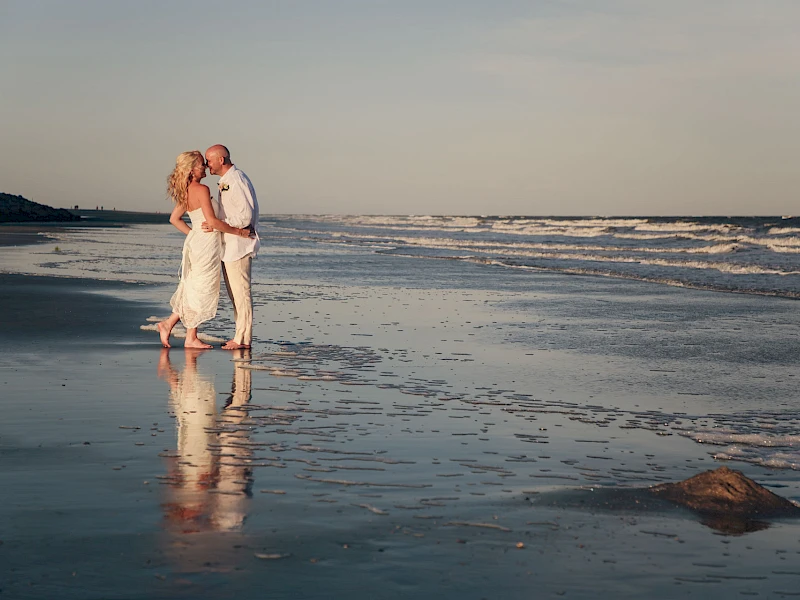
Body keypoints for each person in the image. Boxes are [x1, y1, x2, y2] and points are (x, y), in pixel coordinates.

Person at [157, 150, 252, 349]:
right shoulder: (201, 189)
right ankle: (184, 333)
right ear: (192, 170)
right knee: (201, 287)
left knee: (194, 284)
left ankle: (176, 328)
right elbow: (212, 221)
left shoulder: (187, 190)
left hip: (198, 242)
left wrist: (193, 235)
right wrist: (239, 232)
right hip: (207, 244)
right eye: (202, 165)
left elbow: (174, 219)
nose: (206, 168)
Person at [202, 144, 260, 350]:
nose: (206, 163)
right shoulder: (226, 181)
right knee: (235, 294)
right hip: (229, 245)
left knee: (241, 293)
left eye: (209, 159)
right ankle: (240, 335)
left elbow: (245, 215)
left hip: (239, 245)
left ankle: (243, 339)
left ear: (221, 159)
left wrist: (219, 223)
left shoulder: (236, 180)